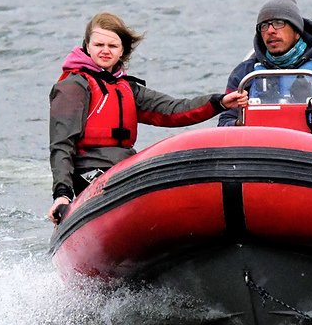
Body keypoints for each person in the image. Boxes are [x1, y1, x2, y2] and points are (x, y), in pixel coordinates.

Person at [49, 12, 248, 222]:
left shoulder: (128, 89)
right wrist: (62, 194)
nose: (105, 50)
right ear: (87, 47)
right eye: (99, 45)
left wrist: (219, 102)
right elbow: (62, 144)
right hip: (88, 175)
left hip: (121, 168)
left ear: (122, 51)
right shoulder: (74, 87)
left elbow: (174, 110)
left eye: (112, 46)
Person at [217, 0, 312, 125]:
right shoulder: (246, 72)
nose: (270, 31)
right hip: (261, 138)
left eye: (279, 23)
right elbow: (225, 122)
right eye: (264, 25)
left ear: (297, 32)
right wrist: (239, 123)